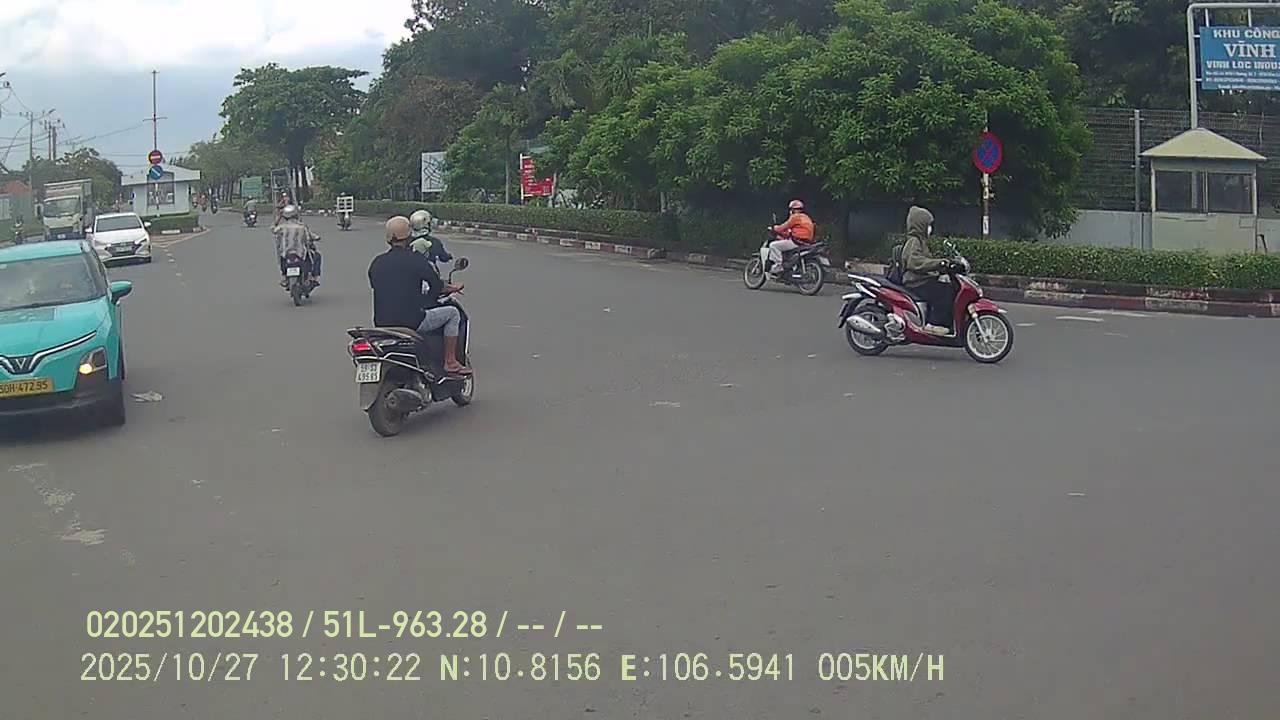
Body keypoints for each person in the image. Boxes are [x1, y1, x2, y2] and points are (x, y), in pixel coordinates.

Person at [368, 216, 471, 375]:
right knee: (453, 313)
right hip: (412, 322)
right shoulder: (416, 260)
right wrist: (452, 288)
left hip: (382, 323)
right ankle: (450, 361)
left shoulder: (377, 262)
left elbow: (380, 286)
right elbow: (437, 287)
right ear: (409, 236)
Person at [901, 205, 957, 336]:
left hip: (921, 279)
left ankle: (946, 323)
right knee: (942, 291)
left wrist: (940, 265)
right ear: (921, 225)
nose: (930, 228)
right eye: (928, 225)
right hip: (915, 281)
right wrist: (938, 263)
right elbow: (915, 262)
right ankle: (934, 324)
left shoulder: (921, 242)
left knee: (948, 286)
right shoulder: (914, 241)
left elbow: (926, 261)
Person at [272, 204, 322, 287]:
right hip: (300, 253)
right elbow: (308, 238)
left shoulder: (282, 227)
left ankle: (284, 277)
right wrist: (316, 238)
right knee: (317, 256)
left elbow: (273, 229)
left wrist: (278, 219)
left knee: (281, 258)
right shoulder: (302, 227)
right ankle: (314, 277)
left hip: (286, 253)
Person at [767, 199, 816, 276]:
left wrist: (774, 228)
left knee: (773, 245)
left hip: (796, 241)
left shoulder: (795, 217)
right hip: (806, 242)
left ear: (793, 209)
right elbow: (794, 230)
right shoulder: (806, 217)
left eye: (791, 209)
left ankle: (779, 266)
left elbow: (783, 227)